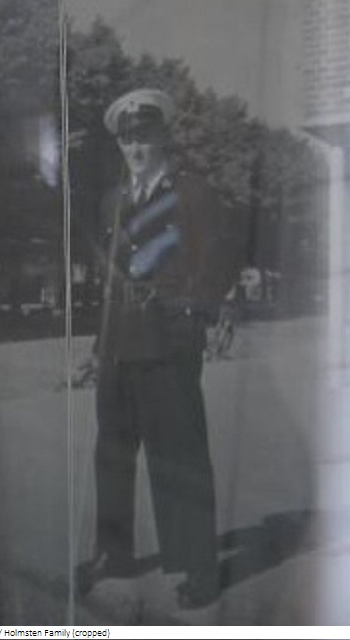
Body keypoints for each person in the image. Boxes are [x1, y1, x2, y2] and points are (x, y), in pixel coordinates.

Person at [76, 88, 240, 608]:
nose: (136, 149)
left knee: (179, 458)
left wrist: (195, 313)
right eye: (128, 140)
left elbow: (222, 255)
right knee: (113, 454)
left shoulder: (192, 192)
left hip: (168, 343)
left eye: (144, 137)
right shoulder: (113, 200)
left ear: (163, 137)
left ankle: (198, 567)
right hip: (120, 344)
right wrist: (98, 345)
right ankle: (113, 553)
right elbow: (109, 280)